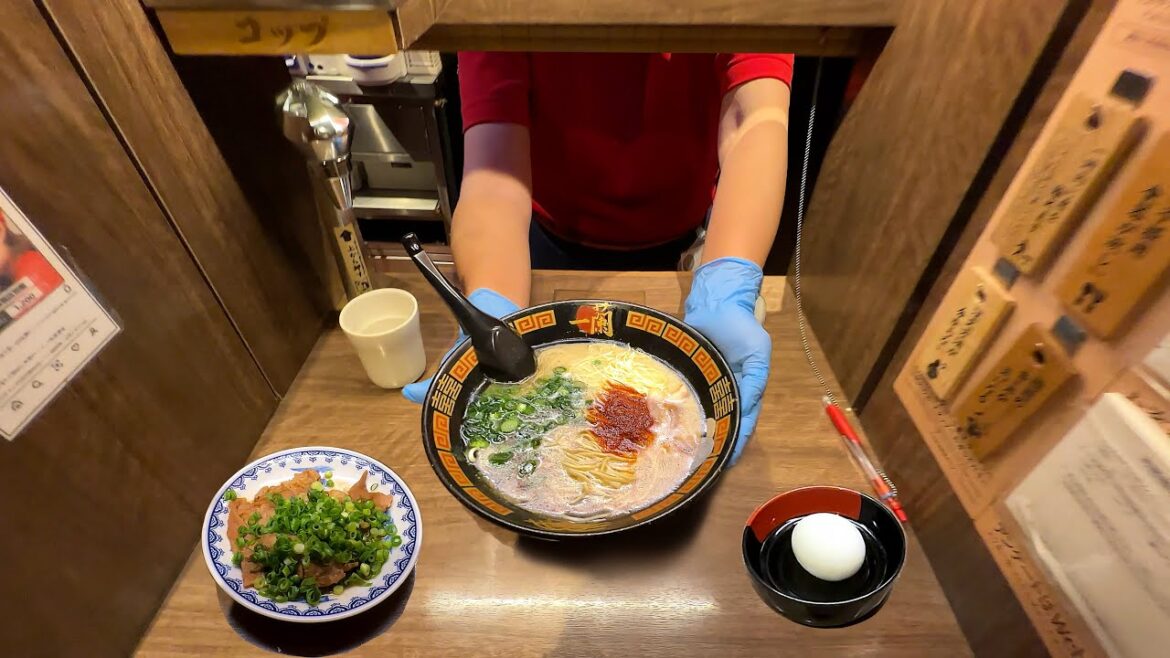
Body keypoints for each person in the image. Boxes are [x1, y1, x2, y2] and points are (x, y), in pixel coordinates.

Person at [404, 52, 793, 464]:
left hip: (693, 247)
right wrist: (490, 309)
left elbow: (754, 118)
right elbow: (494, 166)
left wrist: (728, 284)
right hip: (544, 241)